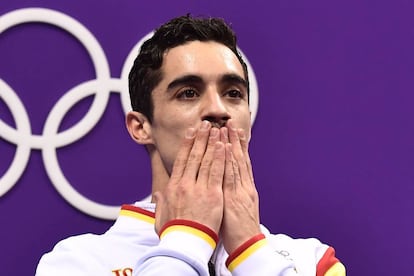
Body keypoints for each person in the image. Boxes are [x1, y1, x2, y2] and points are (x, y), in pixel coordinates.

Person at [36, 14, 346, 275]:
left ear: (248, 120)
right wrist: (187, 238)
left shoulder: (312, 261)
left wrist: (250, 250)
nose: (218, 109)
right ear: (141, 127)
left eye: (233, 93)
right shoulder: (76, 262)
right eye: (188, 92)